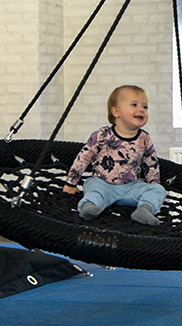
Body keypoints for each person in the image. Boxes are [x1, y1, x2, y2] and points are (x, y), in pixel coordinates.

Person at [64, 84, 166, 226]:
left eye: (145, 106)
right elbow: (84, 157)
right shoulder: (102, 135)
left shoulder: (145, 139)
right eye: (134, 104)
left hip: (131, 188)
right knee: (93, 188)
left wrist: (153, 184)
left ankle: (144, 209)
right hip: (103, 184)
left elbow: (151, 164)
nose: (141, 110)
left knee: (158, 190)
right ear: (116, 112)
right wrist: (71, 183)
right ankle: (89, 207)